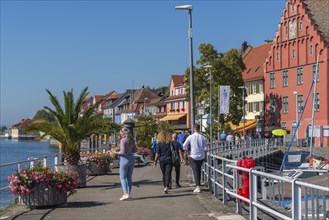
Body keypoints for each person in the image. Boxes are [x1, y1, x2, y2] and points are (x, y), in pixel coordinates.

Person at [114, 128, 137, 201]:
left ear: (123, 134)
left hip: (124, 159)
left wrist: (115, 152)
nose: (120, 135)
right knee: (129, 177)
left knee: (122, 177)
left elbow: (122, 152)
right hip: (131, 159)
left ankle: (125, 194)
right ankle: (129, 193)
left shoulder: (123, 140)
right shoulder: (131, 140)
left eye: (121, 133)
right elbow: (135, 150)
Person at [183, 124, 207, 193]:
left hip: (193, 156)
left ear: (194, 129)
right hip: (201, 156)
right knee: (198, 170)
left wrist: (187, 152)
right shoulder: (203, 137)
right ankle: (198, 185)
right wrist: (205, 157)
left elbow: (184, 146)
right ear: (199, 129)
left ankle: (198, 186)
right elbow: (205, 148)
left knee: (195, 171)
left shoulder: (190, 137)